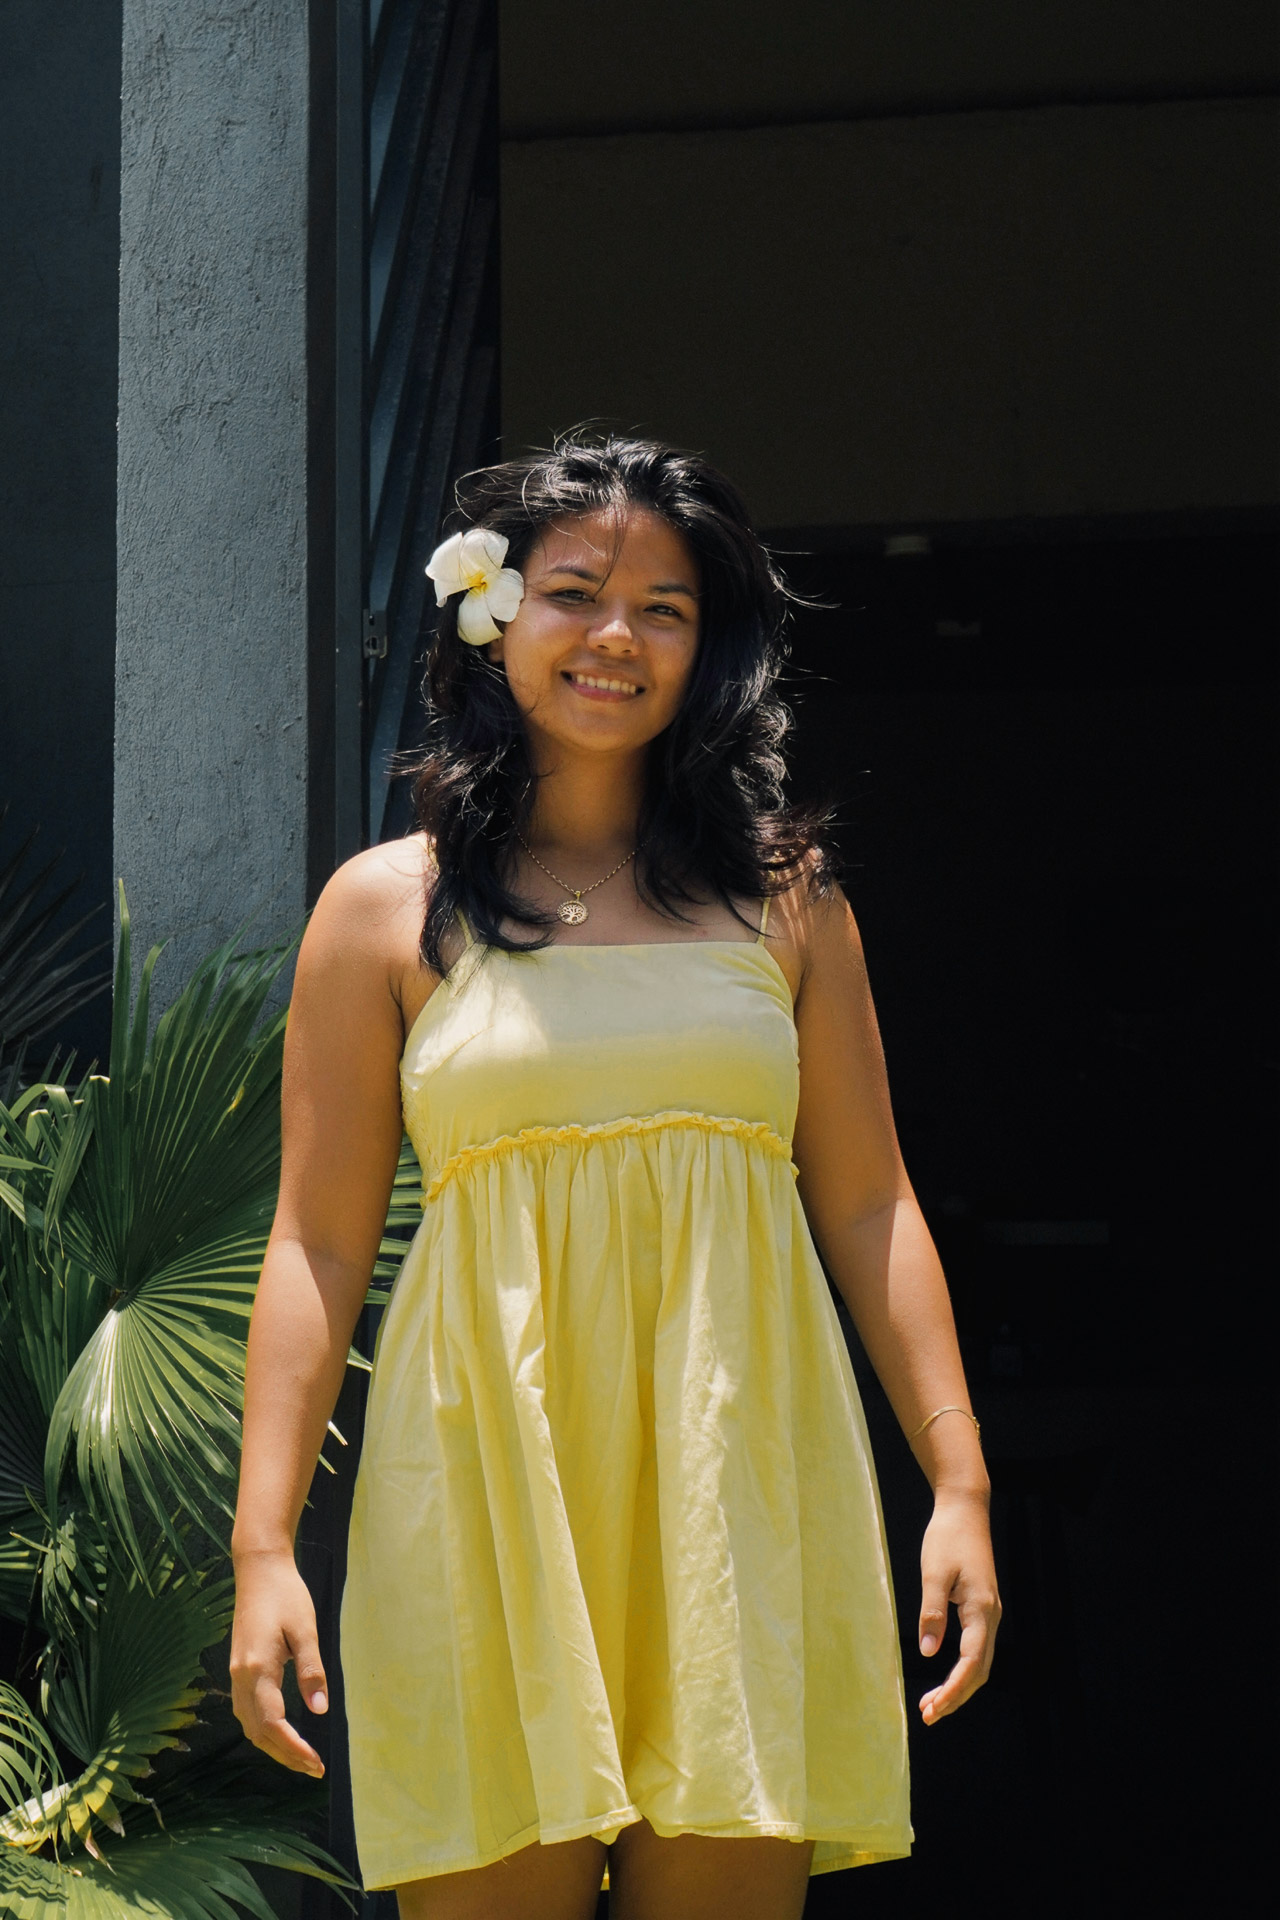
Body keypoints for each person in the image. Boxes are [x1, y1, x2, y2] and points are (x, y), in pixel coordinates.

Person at [230, 435, 1000, 1920]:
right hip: (481, 1495)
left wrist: (957, 1478)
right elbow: (317, 1248)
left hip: (739, 1494)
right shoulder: (383, 913)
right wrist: (264, 1543)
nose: (617, 637)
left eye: (667, 608)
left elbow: (870, 1203)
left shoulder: (786, 902)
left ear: (710, 652)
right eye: (576, 592)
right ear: (492, 611)